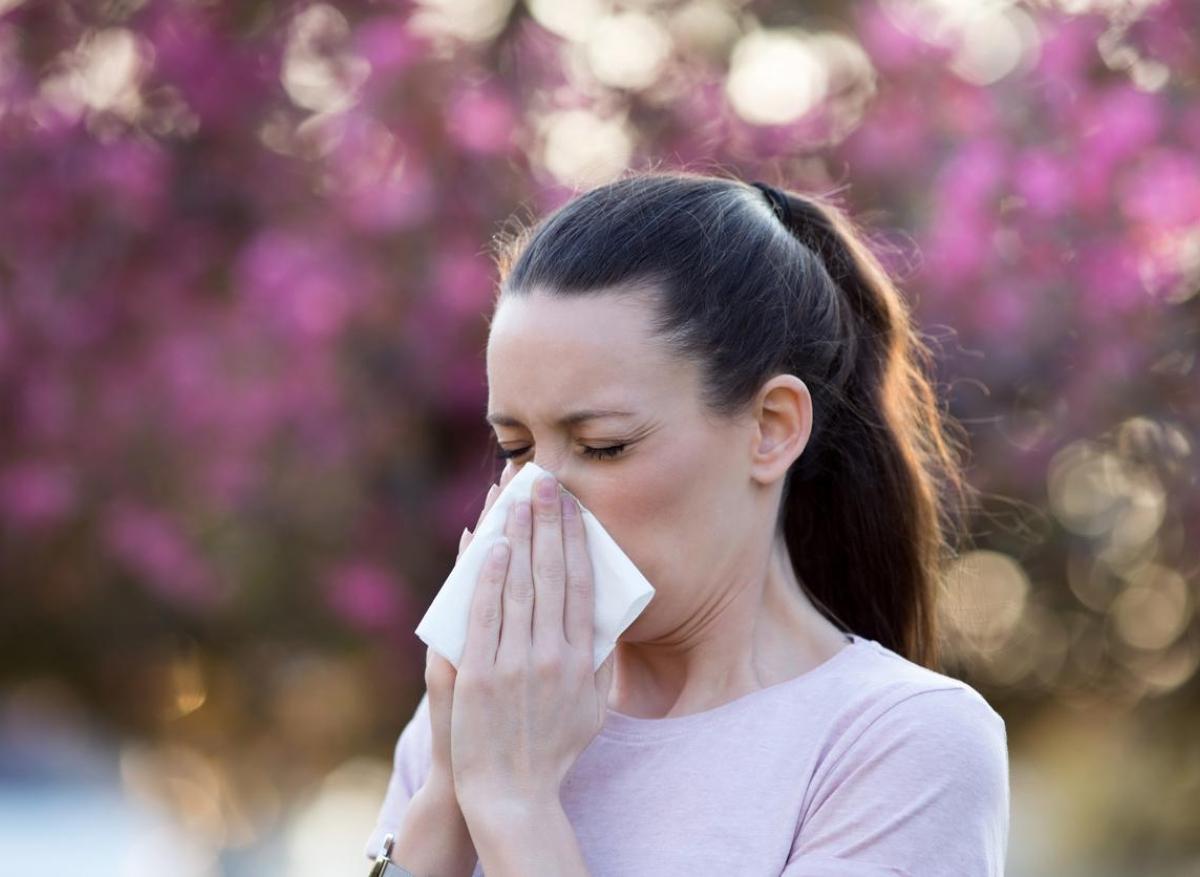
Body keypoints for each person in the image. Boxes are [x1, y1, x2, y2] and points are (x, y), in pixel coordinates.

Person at [364, 171, 1009, 876]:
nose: (536, 499)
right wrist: (453, 793)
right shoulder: (479, 715)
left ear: (771, 428)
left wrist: (517, 809)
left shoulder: (899, 742)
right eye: (515, 449)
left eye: (602, 445)